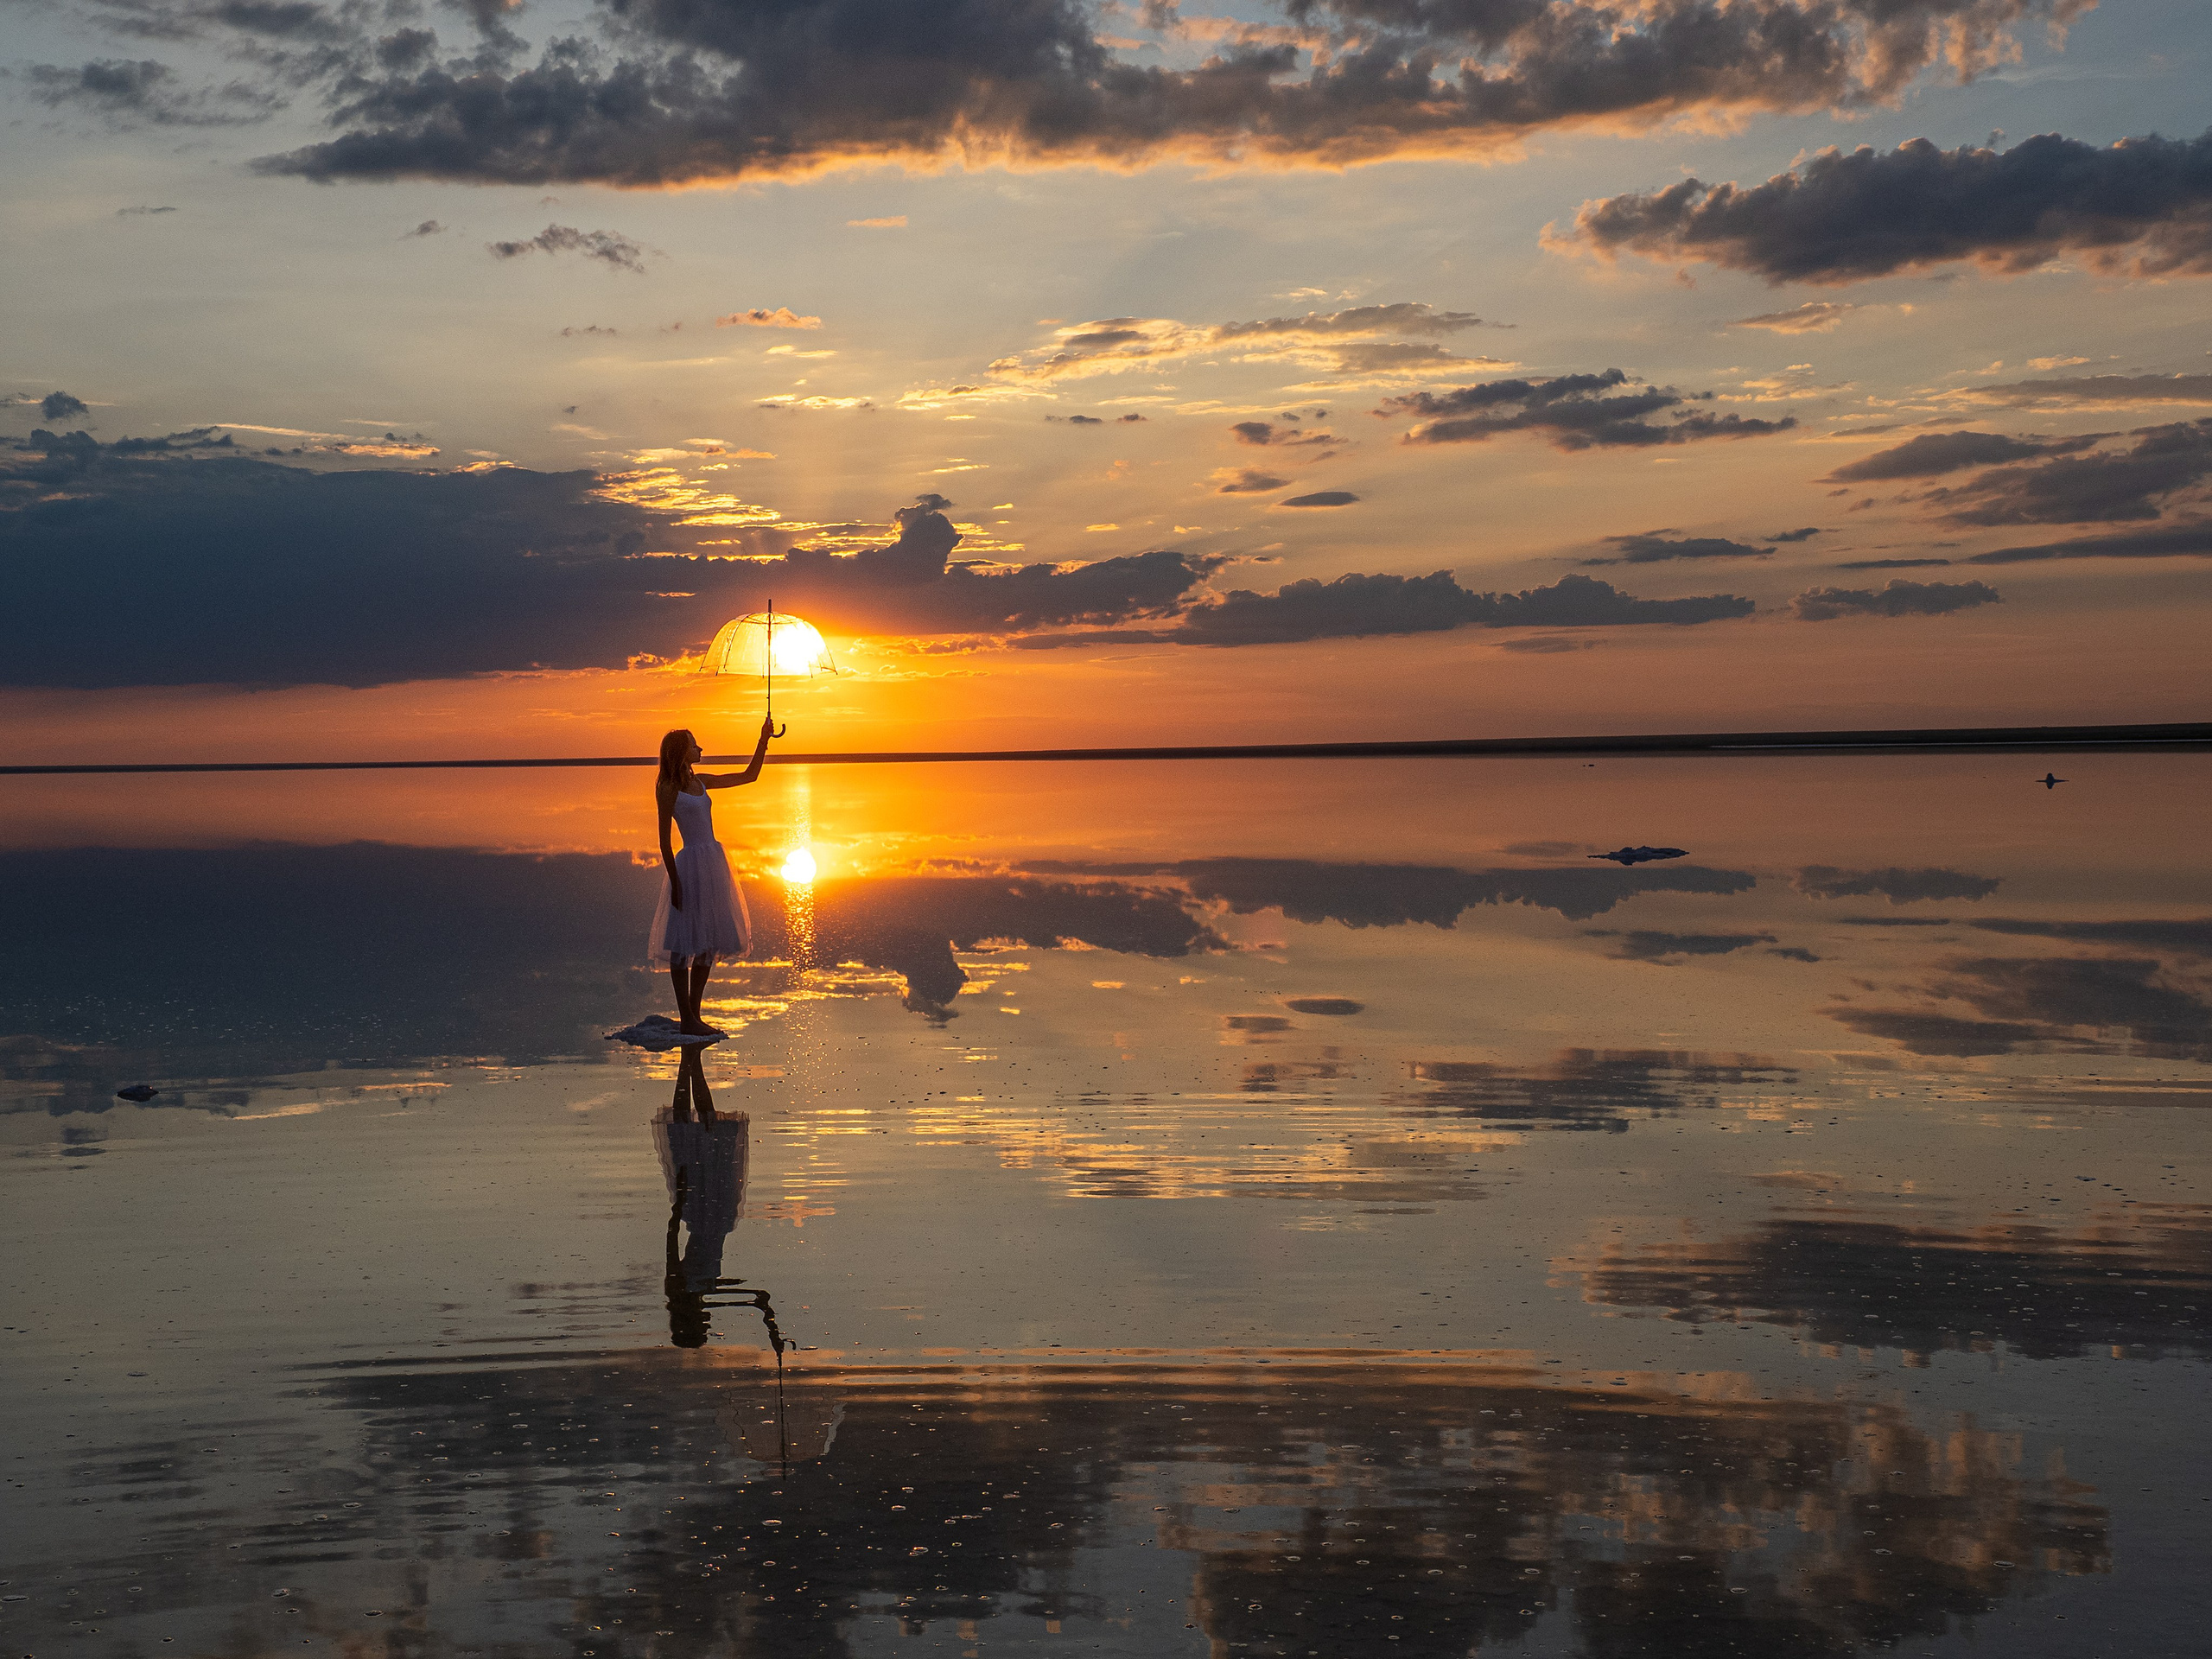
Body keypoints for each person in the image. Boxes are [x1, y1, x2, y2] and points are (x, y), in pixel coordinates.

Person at [650, 717, 775, 1034]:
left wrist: (764, 739)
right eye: (694, 744)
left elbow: (750, 776)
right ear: (682, 751)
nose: (700, 747)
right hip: (689, 865)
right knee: (681, 946)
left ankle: (694, 1014)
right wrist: (676, 882)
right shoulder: (668, 789)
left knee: (706, 943)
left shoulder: (701, 782)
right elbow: (664, 842)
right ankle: (687, 1018)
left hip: (714, 863)